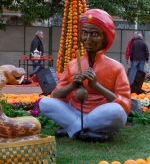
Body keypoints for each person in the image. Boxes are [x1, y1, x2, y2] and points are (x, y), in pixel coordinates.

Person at [39, 9, 131, 142]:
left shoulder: (116, 67)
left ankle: (72, 128)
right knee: (45, 103)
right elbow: (55, 95)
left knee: (117, 112)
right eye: (85, 33)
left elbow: (125, 105)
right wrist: (72, 85)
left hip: (99, 114)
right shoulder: (72, 65)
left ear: (105, 37)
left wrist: (97, 86)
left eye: (94, 34)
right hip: (74, 111)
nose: (88, 39)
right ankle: (84, 131)